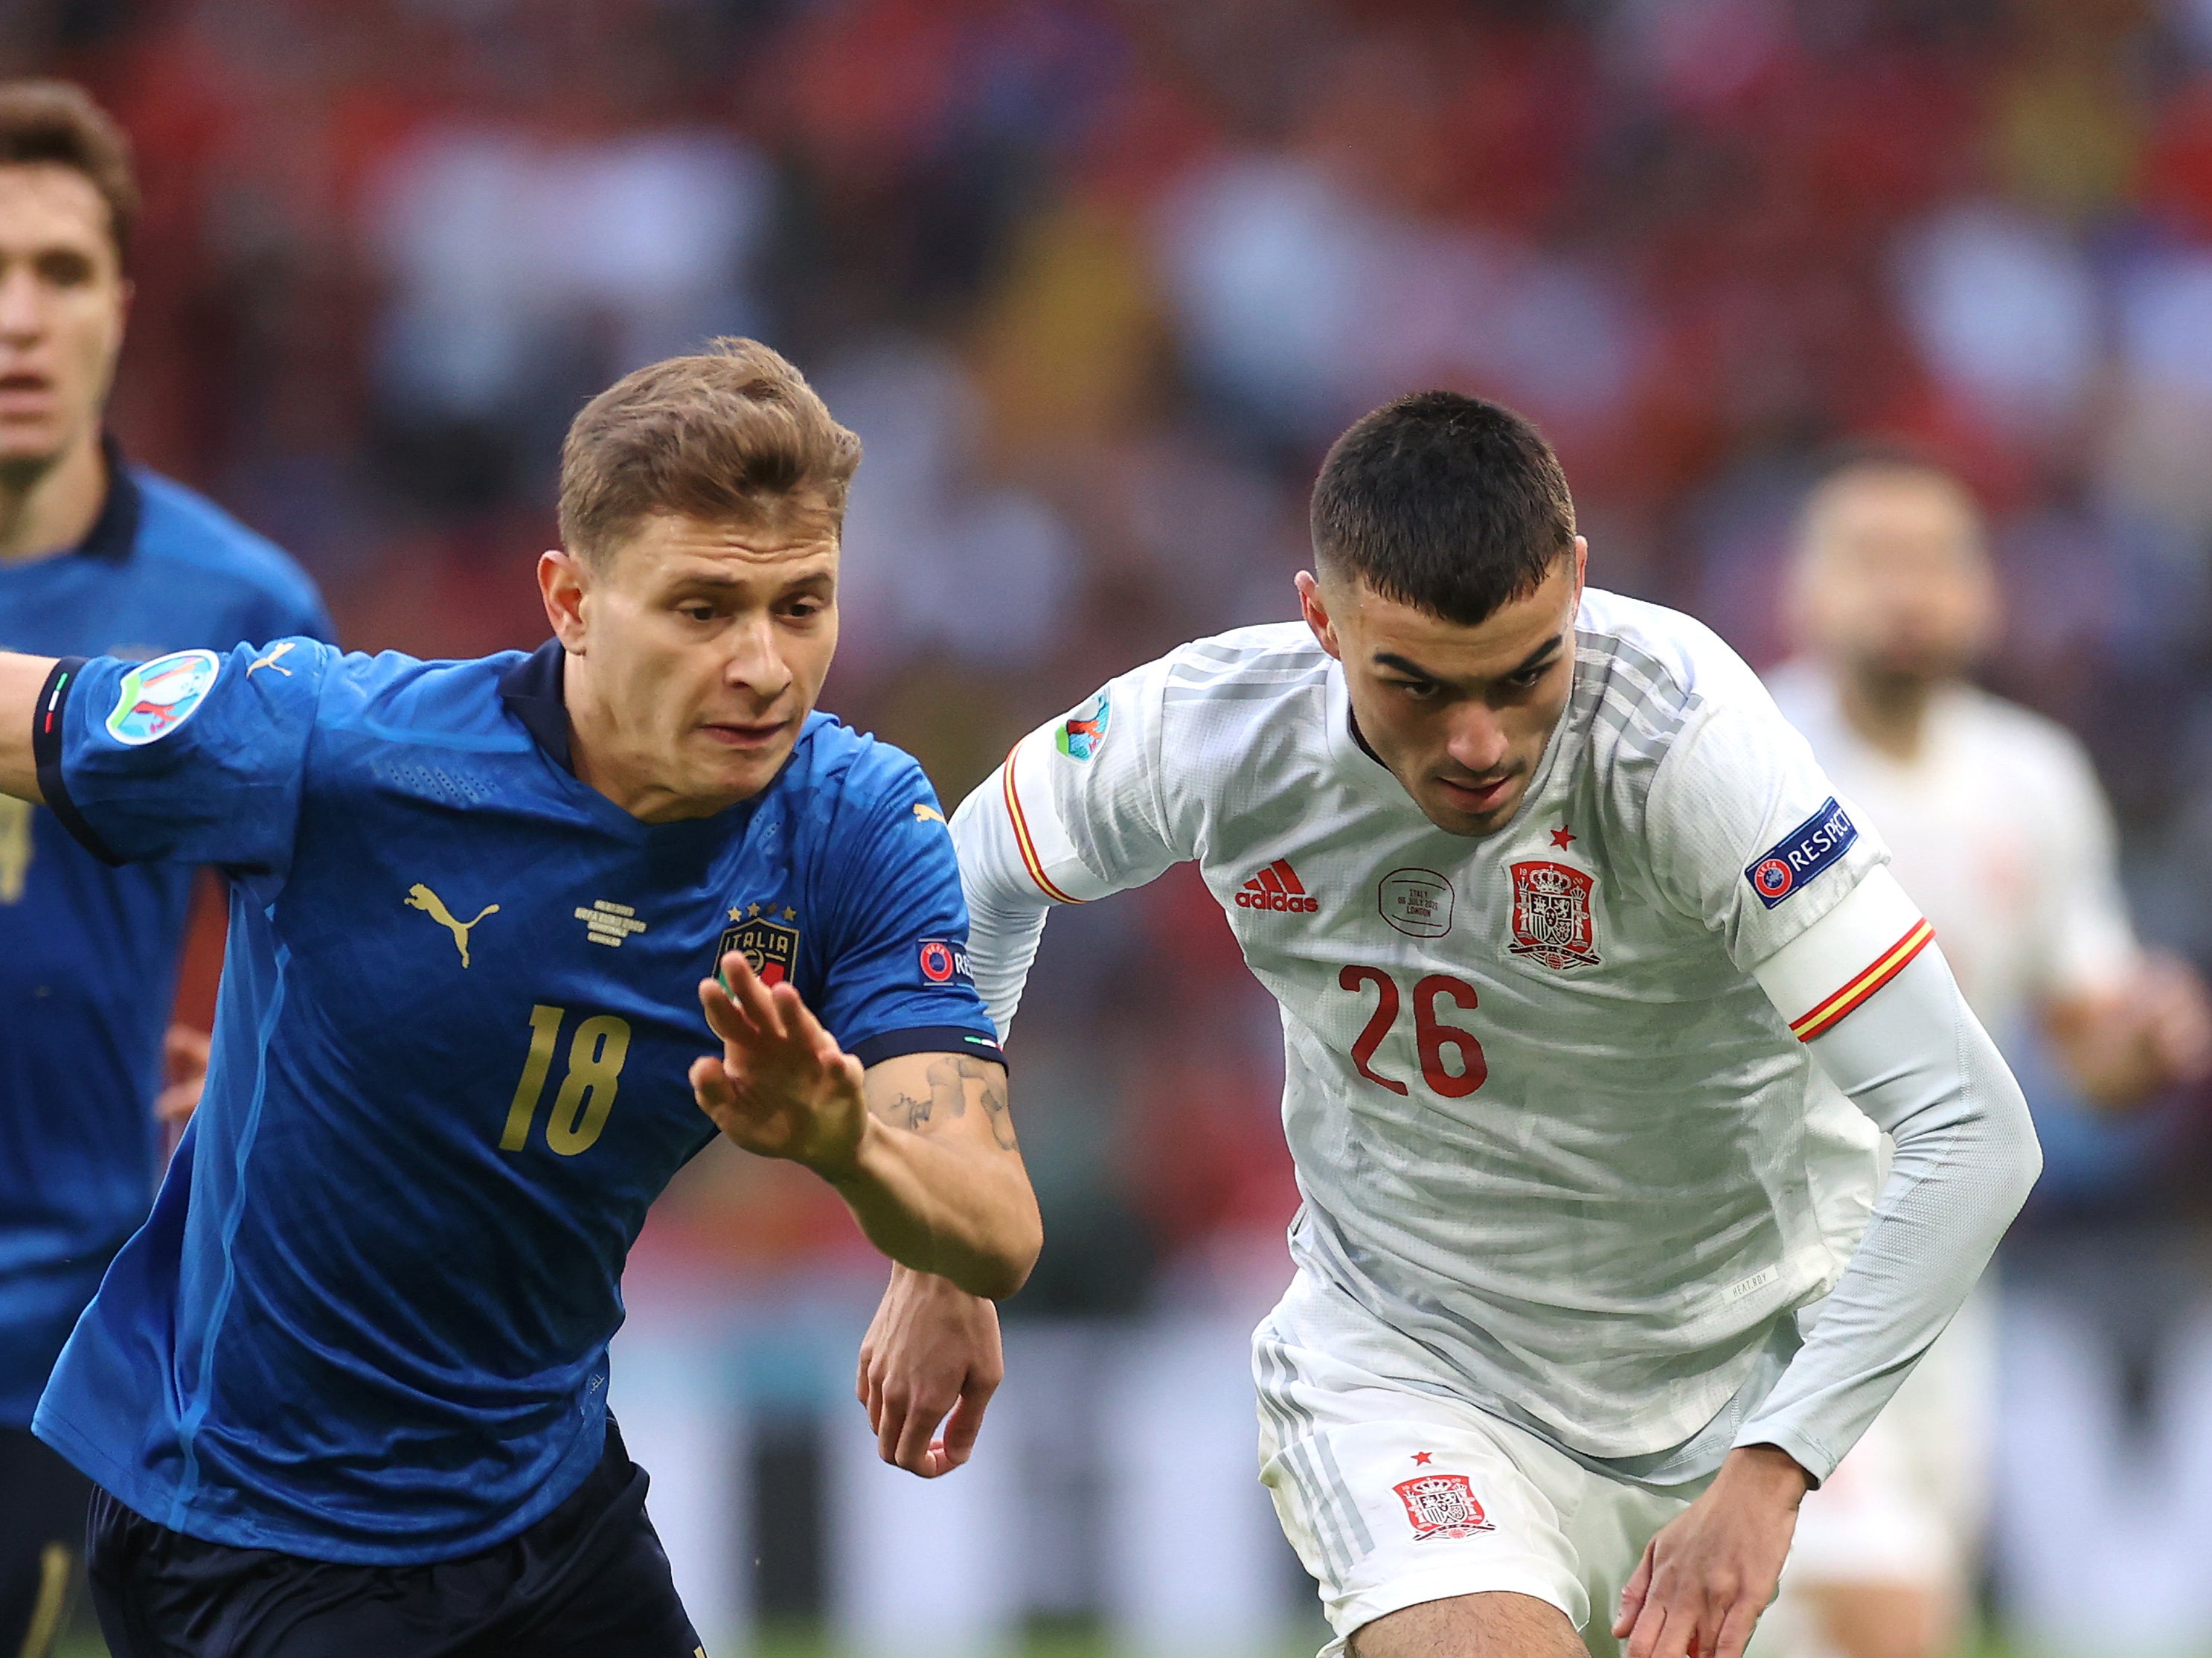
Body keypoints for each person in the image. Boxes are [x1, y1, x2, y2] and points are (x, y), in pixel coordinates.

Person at [888, 391, 2043, 1658]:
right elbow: (974, 874)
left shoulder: (1682, 744)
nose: (1481, 741)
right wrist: (939, 1242)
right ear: (1321, 622)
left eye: (1525, 673)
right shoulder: (1209, 733)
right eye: (1418, 687)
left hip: (1755, 1376)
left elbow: (1972, 1129)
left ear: (1577, 588)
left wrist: (1771, 1475)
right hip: (1417, 1365)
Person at [0, 337, 1042, 1658]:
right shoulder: (347, 751)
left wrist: (849, 1148)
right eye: (703, 608)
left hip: (544, 1501)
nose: (765, 668)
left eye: (801, 605)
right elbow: (25, 713)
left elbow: (996, 1230)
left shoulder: (854, 825)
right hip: (256, 1527)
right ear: (569, 602)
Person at [1755, 453, 2212, 1658]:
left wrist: (2146, 1037)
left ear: (1984, 596)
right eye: (1870, 559)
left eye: (1937, 560)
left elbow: (2087, 1055)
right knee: (1884, 1626)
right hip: (1761, 1285)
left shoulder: (2032, 781)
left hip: (1940, 1298)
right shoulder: (1746, 765)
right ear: (1800, 593)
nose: (1906, 590)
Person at [0, 80, 333, 1658]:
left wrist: (279, 1075)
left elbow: (342, 928)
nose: (19, 320)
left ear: (123, 304)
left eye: (60, 272)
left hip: (60, 1342)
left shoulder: (231, 599)